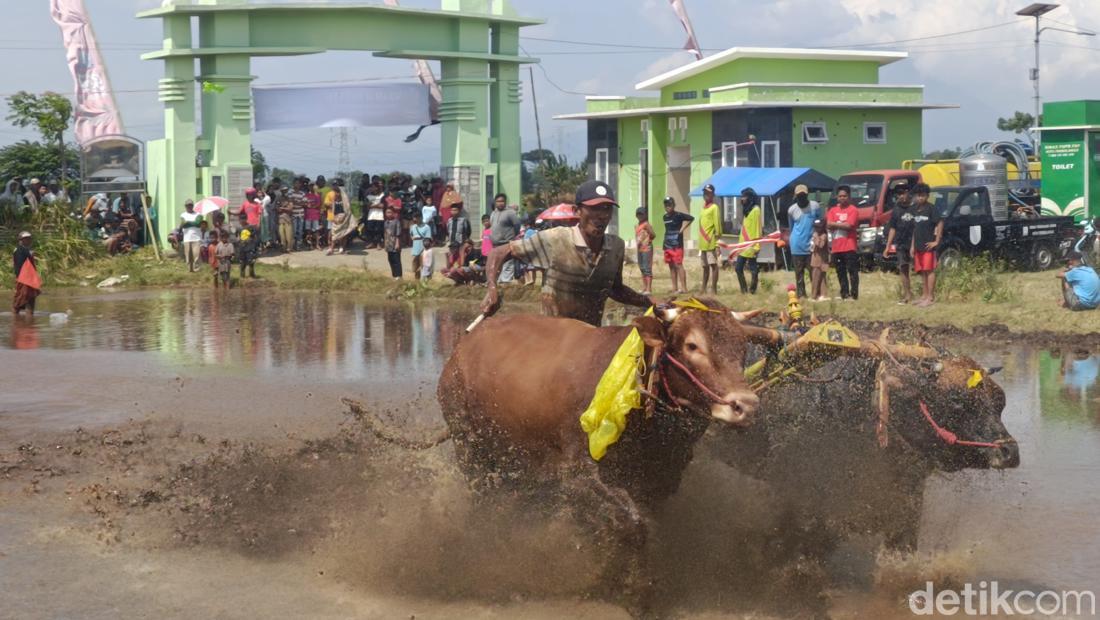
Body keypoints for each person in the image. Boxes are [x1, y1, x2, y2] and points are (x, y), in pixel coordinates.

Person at [480, 180, 652, 326]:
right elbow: (499, 252)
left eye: (607, 209)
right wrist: (492, 288)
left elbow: (615, 289)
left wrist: (649, 302)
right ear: (577, 211)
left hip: (591, 338)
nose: (601, 215)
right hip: (554, 340)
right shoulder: (556, 239)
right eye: (594, 208)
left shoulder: (616, 247)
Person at [910, 183, 943, 307]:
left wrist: (936, 241)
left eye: (923, 195)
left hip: (929, 245)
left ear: (927, 196)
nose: (920, 198)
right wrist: (912, 246)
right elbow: (914, 229)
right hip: (918, 245)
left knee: (929, 270)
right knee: (922, 271)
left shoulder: (931, 209)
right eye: (918, 196)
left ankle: (930, 297)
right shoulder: (914, 209)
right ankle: (924, 296)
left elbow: (940, 223)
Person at [882, 183, 915, 304]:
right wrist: (888, 246)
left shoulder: (916, 207)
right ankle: (908, 294)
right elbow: (892, 228)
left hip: (915, 242)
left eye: (903, 193)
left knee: (920, 269)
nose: (901, 196)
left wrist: (914, 244)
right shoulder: (896, 209)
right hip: (900, 243)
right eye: (898, 194)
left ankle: (925, 294)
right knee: (903, 268)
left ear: (908, 192)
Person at [787, 184, 821, 299]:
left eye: (803, 195)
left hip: (812, 245)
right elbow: (791, 227)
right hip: (797, 245)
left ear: (807, 195)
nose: (802, 197)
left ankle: (815, 294)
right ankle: (801, 295)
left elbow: (819, 223)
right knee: (799, 273)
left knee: (814, 272)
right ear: (796, 196)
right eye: (799, 196)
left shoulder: (815, 206)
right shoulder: (792, 210)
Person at [827, 184, 860, 300]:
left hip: (849, 246)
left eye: (844, 196)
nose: (842, 198)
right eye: (840, 196)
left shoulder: (853, 210)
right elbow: (828, 224)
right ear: (837, 197)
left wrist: (835, 224)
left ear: (849, 197)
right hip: (837, 247)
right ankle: (844, 294)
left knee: (852, 271)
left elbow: (849, 225)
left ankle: (854, 294)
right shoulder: (832, 210)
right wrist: (840, 224)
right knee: (840, 272)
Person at [662, 196, 694, 294]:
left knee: (678, 265)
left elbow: (691, 218)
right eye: (666, 205)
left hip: (677, 244)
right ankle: (674, 288)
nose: (668, 207)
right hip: (667, 244)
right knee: (671, 266)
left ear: (673, 205)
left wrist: (683, 228)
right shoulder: (665, 217)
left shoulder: (679, 215)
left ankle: (684, 288)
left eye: (669, 205)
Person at [489, 193, 521, 283]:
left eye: (502, 201)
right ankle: (499, 282)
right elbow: (492, 226)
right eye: (498, 201)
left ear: (505, 202)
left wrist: (512, 236)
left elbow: (517, 225)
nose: (500, 203)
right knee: (498, 264)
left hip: (506, 242)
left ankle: (506, 283)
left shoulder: (510, 213)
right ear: (495, 202)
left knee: (508, 263)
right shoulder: (493, 213)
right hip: (495, 244)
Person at [736, 188, 762, 295]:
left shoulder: (756, 210)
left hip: (751, 245)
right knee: (738, 268)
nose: (742, 199)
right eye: (741, 197)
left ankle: (752, 290)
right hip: (743, 245)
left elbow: (757, 228)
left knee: (753, 268)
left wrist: (756, 246)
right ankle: (744, 290)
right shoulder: (747, 210)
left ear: (750, 198)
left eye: (744, 197)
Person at [698, 183, 723, 295]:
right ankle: (703, 288)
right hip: (703, 243)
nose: (706, 195)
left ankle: (713, 288)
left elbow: (718, 227)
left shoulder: (714, 207)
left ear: (712, 194)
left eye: (708, 193)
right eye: (704, 193)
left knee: (713, 265)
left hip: (711, 242)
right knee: (705, 267)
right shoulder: (703, 208)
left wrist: (717, 244)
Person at [12, 231, 39, 316]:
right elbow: (20, 265)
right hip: (23, 279)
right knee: (21, 298)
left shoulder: (26, 250)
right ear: (20, 240)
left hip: (28, 279)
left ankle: (29, 319)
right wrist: (29, 254)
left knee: (30, 298)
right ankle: (17, 317)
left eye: (29, 239)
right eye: (25, 239)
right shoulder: (20, 250)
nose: (28, 240)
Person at [327, 180, 357, 256]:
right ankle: (331, 249)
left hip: (344, 219)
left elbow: (347, 210)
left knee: (344, 234)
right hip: (336, 219)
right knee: (334, 234)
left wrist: (343, 217)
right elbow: (333, 210)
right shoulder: (334, 199)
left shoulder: (345, 200)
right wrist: (334, 218)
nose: (336, 195)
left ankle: (342, 249)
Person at [634, 207, 655, 295]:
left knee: (647, 268)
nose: (640, 216)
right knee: (641, 267)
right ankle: (644, 287)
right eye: (638, 214)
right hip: (640, 249)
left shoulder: (646, 224)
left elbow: (653, 234)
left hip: (647, 248)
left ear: (645, 215)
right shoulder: (636, 225)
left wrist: (647, 241)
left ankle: (649, 289)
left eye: (641, 214)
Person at [445, 203, 472, 270]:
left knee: (461, 261)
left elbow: (468, 231)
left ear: (459, 211)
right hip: (452, 245)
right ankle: (452, 273)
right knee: (452, 260)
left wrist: (465, 240)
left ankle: (461, 273)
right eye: (452, 210)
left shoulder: (463, 220)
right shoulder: (449, 221)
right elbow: (448, 231)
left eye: (455, 210)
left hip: (461, 244)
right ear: (450, 211)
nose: (454, 212)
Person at [179, 199, 203, 272]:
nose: (189, 206)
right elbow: (183, 225)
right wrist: (193, 223)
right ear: (185, 206)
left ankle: (197, 269)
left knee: (196, 254)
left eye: (190, 205)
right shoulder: (183, 215)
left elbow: (198, 223)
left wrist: (188, 223)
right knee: (188, 255)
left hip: (196, 237)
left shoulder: (198, 214)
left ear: (193, 206)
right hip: (187, 237)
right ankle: (189, 269)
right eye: (187, 205)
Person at [810, 218, 831, 301]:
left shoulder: (823, 235)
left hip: (821, 260)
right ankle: (819, 295)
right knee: (816, 277)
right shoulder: (815, 234)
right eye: (815, 227)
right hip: (815, 259)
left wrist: (816, 238)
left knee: (820, 278)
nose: (816, 229)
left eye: (818, 227)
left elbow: (821, 245)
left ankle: (817, 295)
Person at [410, 213, 432, 281]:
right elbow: (411, 235)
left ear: (421, 218)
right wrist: (413, 238)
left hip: (424, 249)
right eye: (414, 218)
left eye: (417, 217)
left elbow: (428, 239)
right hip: (415, 250)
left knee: (425, 267)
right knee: (415, 268)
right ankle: (417, 281)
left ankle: (427, 281)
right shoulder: (413, 227)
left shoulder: (426, 227)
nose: (416, 219)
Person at [384, 207, 403, 280]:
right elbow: (385, 234)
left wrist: (397, 243)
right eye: (387, 212)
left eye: (390, 212)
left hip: (395, 243)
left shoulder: (396, 222)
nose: (388, 214)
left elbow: (398, 234)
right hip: (388, 244)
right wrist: (385, 244)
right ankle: (394, 275)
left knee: (396, 260)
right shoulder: (386, 222)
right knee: (390, 259)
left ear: (393, 213)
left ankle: (399, 275)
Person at [303, 184, 322, 250]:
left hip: (315, 215)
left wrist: (311, 206)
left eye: (312, 186)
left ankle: (317, 244)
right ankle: (310, 244)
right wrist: (307, 205)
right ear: (308, 187)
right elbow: (304, 204)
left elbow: (319, 204)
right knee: (308, 231)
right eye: (310, 186)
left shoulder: (317, 195)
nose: (311, 187)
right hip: (308, 215)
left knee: (316, 230)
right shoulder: (306, 195)